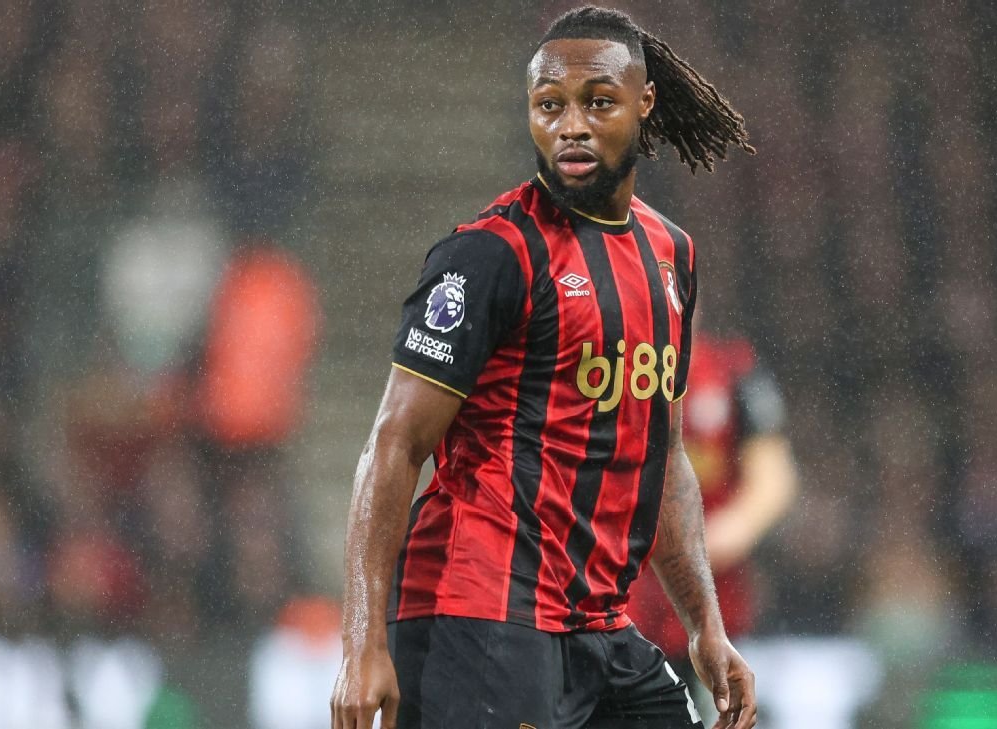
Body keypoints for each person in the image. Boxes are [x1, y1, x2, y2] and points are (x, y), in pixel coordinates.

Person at [330, 7, 756, 729]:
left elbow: (664, 455)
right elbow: (394, 445)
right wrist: (361, 642)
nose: (572, 126)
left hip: (600, 621)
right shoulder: (489, 255)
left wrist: (704, 626)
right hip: (479, 616)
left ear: (644, 103)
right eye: (550, 105)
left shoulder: (671, 255)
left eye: (599, 102)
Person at [626, 326, 797, 720]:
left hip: (717, 607)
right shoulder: (610, 366)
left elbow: (774, 477)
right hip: (624, 603)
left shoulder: (733, 369)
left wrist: (713, 538)